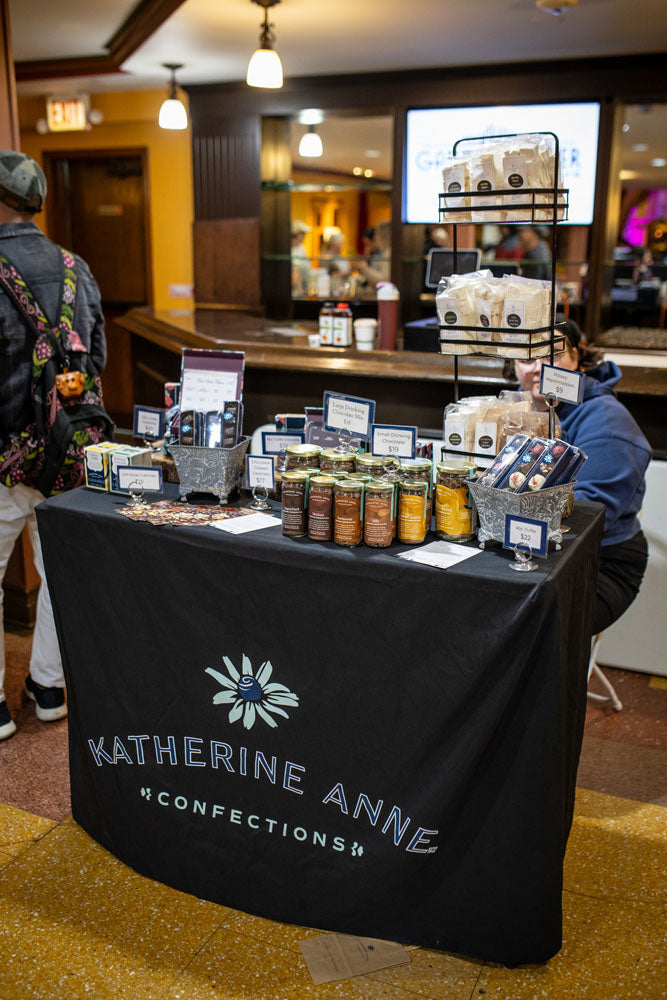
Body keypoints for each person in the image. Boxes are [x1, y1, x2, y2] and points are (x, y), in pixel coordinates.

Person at [0, 150, 107, 740]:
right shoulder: (75, 268)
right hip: (70, 452)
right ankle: (48, 686)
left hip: (4, 458)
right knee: (60, 572)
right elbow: (98, 358)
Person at [506, 317, 651, 636]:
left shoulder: (608, 423)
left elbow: (586, 517)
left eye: (553, 355)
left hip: (601, 562)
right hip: (531, 546)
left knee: (517, 628)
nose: (539, 368)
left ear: (578, 358)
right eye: (527, 357)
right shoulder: (513, 411)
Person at [355, 219, 391, 288]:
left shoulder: (388, 253)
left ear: (384, 235)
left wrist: (364, 268)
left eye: (377, 234)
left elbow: (383, 280)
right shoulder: (385, 252)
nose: (376, 238)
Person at [290, 219, 311, 297]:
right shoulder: (287, 248)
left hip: (302, 288)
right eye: (302, 234)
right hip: (291, 289)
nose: (304, 237)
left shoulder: (301, 248)